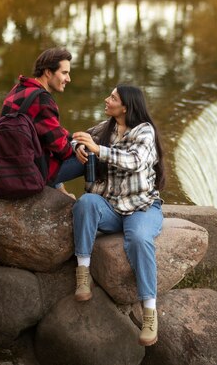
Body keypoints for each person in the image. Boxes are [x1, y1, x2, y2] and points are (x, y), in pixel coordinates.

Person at [70, 84, 166, 347]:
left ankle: (149, 312)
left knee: (139, 240)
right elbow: (77, 137)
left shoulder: (145, 131)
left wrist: (98, 150)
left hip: (141, 207)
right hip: (111, 209)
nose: (107, 99)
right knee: (86, 203)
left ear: (126, 106)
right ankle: (83, 276)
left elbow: (134, 160)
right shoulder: (105, 128)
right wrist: (76, 147)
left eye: (112, 98)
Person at [0, 47, 87, 195]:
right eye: (64, 73)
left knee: (53, 147)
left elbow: (51, 131)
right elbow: (62, 150)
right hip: (29, 172)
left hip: (6, 164)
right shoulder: (42, 100)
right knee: (91, 157)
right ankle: (92, 204)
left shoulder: (20, 88)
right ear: (48, 72)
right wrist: (79, 146)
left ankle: (61, 194)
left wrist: (73, 139)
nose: (68, 79)